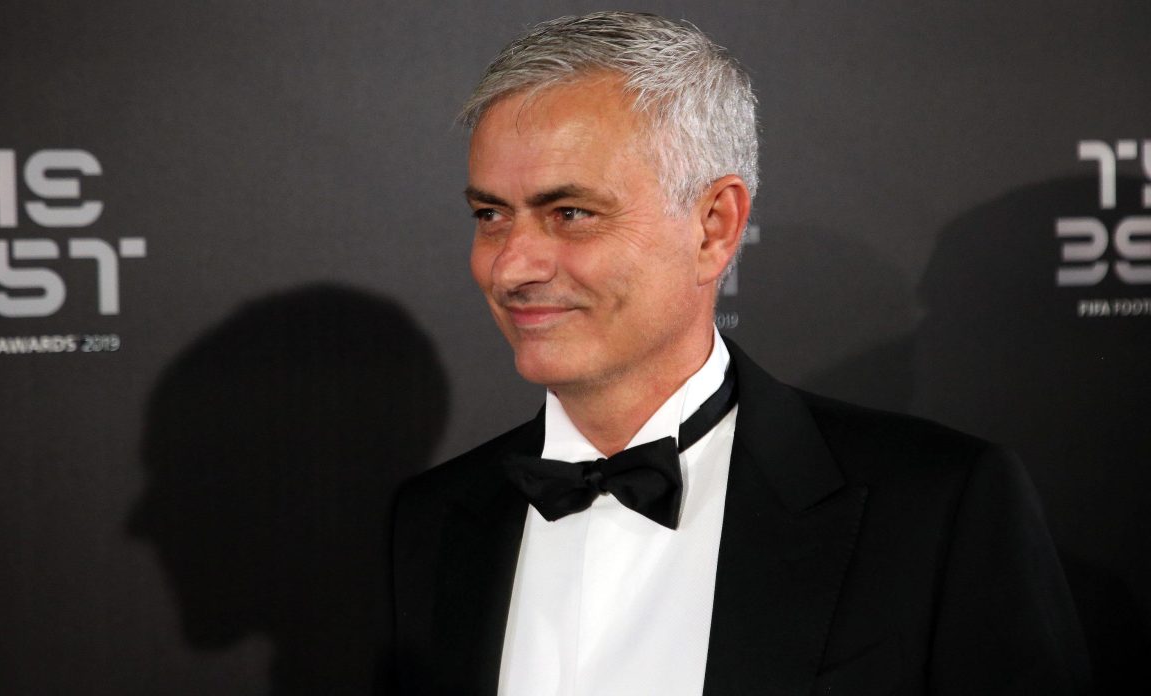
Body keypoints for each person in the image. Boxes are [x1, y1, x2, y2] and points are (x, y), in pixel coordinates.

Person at [392, 11, 1091, 695]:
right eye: (491, 215)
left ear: (714, 227)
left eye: (571, 213)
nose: (512, 266)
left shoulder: (934, 507)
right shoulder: (433, 520)